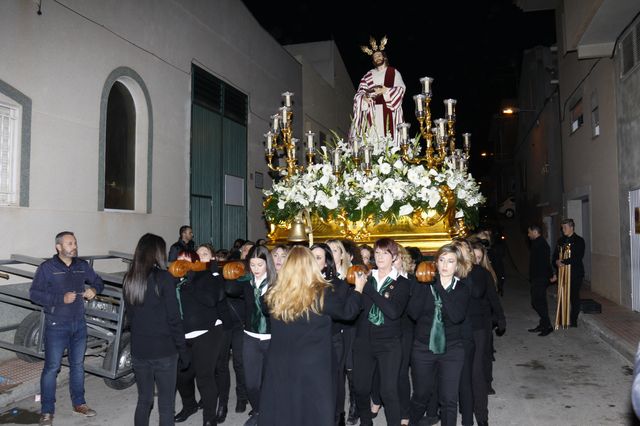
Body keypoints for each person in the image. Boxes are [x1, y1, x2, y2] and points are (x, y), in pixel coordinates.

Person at [259, 246, 364, 426]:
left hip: (280, 361)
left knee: (285, 406)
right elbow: (348, 313)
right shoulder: (322, 293)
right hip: (313, 364)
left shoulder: (274, 293)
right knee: (313, 409)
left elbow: (264, 308)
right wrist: (358, 289)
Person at [29, 231, 105, 426]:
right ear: (59, 247)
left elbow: (98, 281)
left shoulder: (82, 266)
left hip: (79, 323)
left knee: (78, 365)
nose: (74, 246)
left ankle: (79, 404)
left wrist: (94, 290)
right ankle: (47, 411)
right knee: (52, 368)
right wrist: (59, 299)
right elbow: (34, 294)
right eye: (69, 243)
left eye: (75, 243)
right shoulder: (47, 267)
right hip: (56, 325)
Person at [123, 233, 189, 426]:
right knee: (166, 404)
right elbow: (174, 319)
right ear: (157, 253)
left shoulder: (129, 279)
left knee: (144, 400)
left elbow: (131, 318)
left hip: (140, 350)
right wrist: (183, 350)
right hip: (164, 351)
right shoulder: (164, 278)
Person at [407, 243, 470, 426]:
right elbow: (413, 313)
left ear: (457, 265)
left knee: (449, 400)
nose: (445, 265)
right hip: (423, 347)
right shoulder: (424, 284)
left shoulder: (461, 288)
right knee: (421, 395)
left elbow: (457, 316)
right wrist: (423, 286)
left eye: (450, 261)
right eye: (441, 260)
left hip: (452, 348)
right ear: (436, 262)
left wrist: (439, 287)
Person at [352, 238, 411, 426]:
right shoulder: (364, 277)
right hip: (364, 341)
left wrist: (369, 290)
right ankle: (366, 421)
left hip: (389, 343)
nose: (380, 257)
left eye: (385, 253)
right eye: (377, 253)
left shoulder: (402, 282)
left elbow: (394, 312)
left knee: (388, 391)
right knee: (360, 388)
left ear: (394, 257)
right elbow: (354, 309)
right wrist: (357, 290)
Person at [174, 246, 229, 425]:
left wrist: (191, 282)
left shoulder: (205, 276)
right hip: (184, 336)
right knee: (182, 375)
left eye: (187, 259)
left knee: (204, 377)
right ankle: (189, 406)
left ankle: (209, 419)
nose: (183, 262)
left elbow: (211, 300)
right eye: (179, 258)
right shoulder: (175, 280)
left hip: (208, 333)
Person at [310, 243, 365, 425]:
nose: (313, 261)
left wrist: (358, 289)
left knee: (334, 383)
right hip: (308, 341)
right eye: (311, 257)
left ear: (326, 263)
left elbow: (348, 313)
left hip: (331, 341)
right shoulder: (299, 283)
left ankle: (337, 417)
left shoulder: (338, 285)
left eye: (318, 257)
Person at [225, 245, 277, 426]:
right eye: (252, 265)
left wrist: (264, 293)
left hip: (272, 339)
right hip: (250, 338)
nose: (255, 269)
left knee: (271, 382)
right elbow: (230, 289)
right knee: (252, 382)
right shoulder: (247, 282)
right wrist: (234, 273)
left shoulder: (275, 283)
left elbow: (270, 310)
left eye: (259, 265)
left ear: (267, 264)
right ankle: (258, 409)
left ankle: (266, 414)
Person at [351, 36, 406, 143]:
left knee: (390, 141)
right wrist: (364, 98)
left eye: (379, 55)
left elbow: (400, 89)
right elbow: (360, 92)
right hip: (372, 113)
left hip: (389, 111)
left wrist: (386, 91)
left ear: (384, 57)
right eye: (375, 57)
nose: (377, 58)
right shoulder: (368, 75)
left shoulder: (393, 72)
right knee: (373, 140)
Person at [552, 218, 586, 327]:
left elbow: (577, 257)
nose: (563, 230)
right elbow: (555, 256)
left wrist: (564, 261)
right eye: (562, 228)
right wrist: (556, 262)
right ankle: (563, 318)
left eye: (565, 228)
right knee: (562, 295)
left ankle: (573, 320)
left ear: (571, 227)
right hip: (562, 273)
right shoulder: (560, 241)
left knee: (574, 296)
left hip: (575, 274)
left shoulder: (579, 241)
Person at [527, 225, 554, 336]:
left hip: (541, 278)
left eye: (529, 232)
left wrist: (551, 275)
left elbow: (546, 263)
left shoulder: (541, 245)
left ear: (535, 232)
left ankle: (547, 325)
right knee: (539, 302)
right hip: (537, 278)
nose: (528, 235)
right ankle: (543, 324)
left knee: (537, 302)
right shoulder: (537, 243)